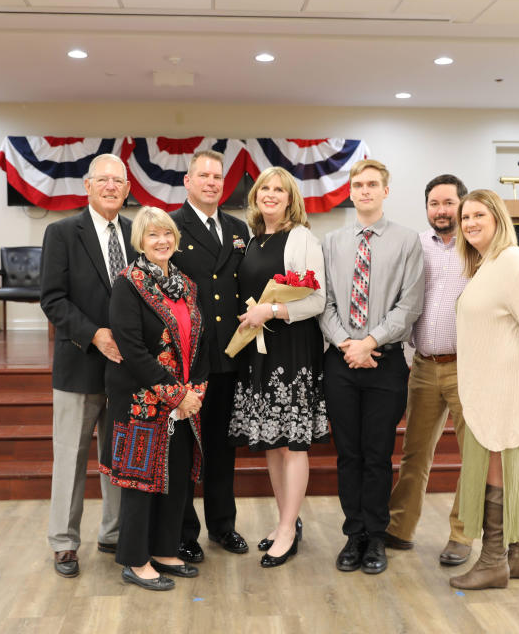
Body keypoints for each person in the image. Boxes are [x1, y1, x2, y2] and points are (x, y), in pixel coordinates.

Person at [319, 159, 424, 575]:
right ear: (350, 191)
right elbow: (323, 302)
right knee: (348, 453)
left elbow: (410, 304)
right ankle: (354, 535)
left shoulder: (407, 241)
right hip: (341, 360)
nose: (364, 190)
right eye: (358, 184)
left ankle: (376, 536)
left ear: (385, 191)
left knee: (378, 454)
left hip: (385, 360)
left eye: (372, 184)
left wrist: (370, 342)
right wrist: (347, 343)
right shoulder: (331, 242)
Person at [449, 189, 519, 590]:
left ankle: (494, 561)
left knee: (498, 469)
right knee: (503, 468)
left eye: (479, 215)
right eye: (465, 218)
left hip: (505, 389)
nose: (470, 223)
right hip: (486, 386)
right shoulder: (485, 264)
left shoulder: (513, 262)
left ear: (498, 218)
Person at [100, 206, 208, 592]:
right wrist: (175, 394)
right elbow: (131, 347)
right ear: (140, 242)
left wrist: (195, 391)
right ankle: (135, 560)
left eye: (167, 234)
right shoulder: (128, 283)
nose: (161, 241)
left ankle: (164, 550)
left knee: (175, 479)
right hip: (141, 401)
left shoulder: (187, 284)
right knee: (141, 483)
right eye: (152, 236)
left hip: (182, 405)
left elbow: (200, 342)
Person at [40, 153, 137, 578]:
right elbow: (53, 299)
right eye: (104, 180)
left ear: (128, 188)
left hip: (127, 370)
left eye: (119, 180)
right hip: (79, 363)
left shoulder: (138, 234)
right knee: (71, 456)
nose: (111, 186)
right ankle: (63, 542)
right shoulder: (62, 232)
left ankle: (114, 533)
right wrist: (95, 334)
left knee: (119, 456)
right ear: (88, 186)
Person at [228, 166, 329, 568]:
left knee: (293, 443)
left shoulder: (301, 238)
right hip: (259, 351)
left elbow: (316, 300)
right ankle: (286, 519)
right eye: (264, 189)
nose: (271, 195)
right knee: (272, 441)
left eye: (279, 190)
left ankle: (287, 530)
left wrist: (271, 309)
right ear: (255, 197)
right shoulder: (253, 241)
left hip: (291, 350)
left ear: (290, 198)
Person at [386, 174, 474, 566]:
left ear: (463, 204)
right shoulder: (417, 245)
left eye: (448, 203)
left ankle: (462, 535)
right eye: (434, 204)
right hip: (423, 366)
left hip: (467, 368)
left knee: (474, 456)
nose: (441, 210)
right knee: (414, 453)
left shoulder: (478, 245)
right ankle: (400, 528)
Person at [170, 150, 251, 562]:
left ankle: (223, 526)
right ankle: (185, 532)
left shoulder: (239, 229)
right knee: (184, 450)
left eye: (217, 176)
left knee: (222, 448)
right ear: (188, 181)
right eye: (203, 175)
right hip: (188, 360)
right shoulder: (171, 226)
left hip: (229, 357)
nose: (211, 182)